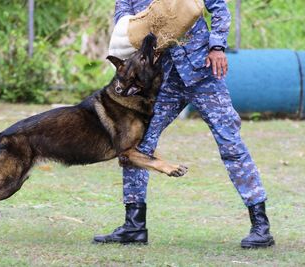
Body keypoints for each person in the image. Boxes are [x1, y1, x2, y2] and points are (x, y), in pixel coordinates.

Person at [93, 0, 275, 249]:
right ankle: (133, 226)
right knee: (136, 147)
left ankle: (260, 226)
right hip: (161, 82)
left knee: (230, 143)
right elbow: (124, 21)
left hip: (203, 72)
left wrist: (217, 46)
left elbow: (218, 7)